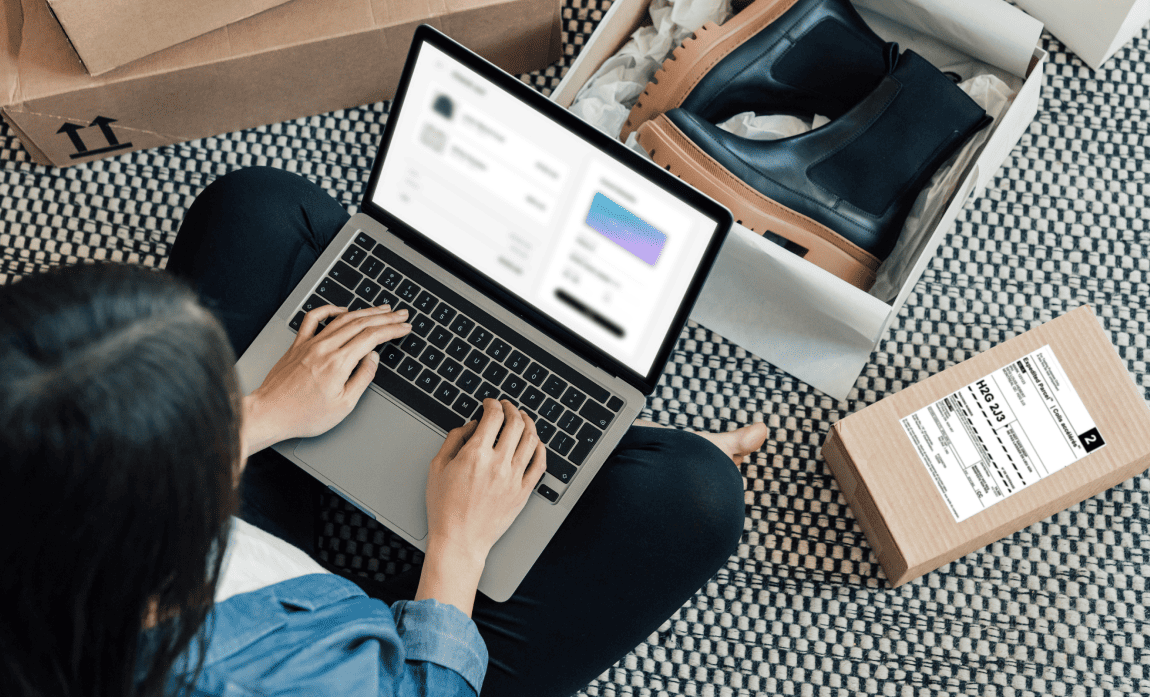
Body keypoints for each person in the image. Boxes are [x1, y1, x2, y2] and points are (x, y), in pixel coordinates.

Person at [0, 166, 767, 697]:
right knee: (693, 495)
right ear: (165, 515)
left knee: (256, 207)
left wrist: (268, 410)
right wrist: (459, 546)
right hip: (385, 660)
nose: (231, 398)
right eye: (215, 407)